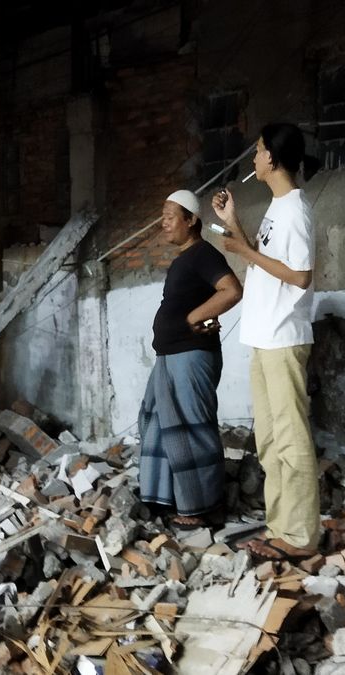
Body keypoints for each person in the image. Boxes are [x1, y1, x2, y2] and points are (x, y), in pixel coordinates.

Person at [211, 123, 322, 561]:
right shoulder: (279, 207)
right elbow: (267, 259)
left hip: (283, 339)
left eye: (257, 151)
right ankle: (281, 528)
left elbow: (299, 275)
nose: (253, 159)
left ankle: (300, 538)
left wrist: (245, 253)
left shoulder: (296, 209)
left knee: (291, 440)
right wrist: (232, 224)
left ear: (273, 159)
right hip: (265, 338)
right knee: (273, 441)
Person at [138, 190, 243, 527]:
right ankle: (169, 500)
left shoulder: (203, 254)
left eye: (171, 216)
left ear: (191, 220)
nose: (164, 223)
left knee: (193, 429)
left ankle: (204, 508)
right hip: (170, 355)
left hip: (190, 355)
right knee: (157, 425)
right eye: (163, 215)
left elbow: (231, 290)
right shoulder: (185, 258)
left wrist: (192, 318)